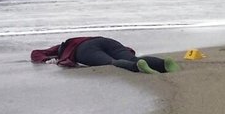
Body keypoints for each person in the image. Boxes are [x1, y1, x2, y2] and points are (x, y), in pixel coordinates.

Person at [31, 36, 181, 73]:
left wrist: (46, 60)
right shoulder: (83, 37)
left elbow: (36, 53)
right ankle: (163, 64)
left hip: (84, 50)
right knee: (131, 57)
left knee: (110, 62)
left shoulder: (63, 46)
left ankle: (138, 68)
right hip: (106, 41)